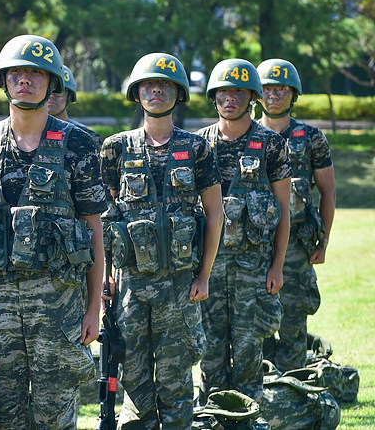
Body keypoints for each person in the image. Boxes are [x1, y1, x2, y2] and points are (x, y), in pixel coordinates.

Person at [0, 34, 106, 429]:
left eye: (36, 74)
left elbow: (93, 227)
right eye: (17, 73)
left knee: (55, 412)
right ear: (4, 81)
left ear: (53, 84)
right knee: (5, 413)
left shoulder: (79, 143)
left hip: (59, 302)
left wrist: (92, 307)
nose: (26, 81)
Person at [100, 53, 223, 429]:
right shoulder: (115, 148)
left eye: (166, 84)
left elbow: (215, 213)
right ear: (136, 94)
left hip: (179, 283)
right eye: (149, 85)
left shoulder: (198, 148)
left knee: (175, 379)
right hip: (131, 285)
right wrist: (105, 277)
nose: (156, 90)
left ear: (179, 94)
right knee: (134, 378)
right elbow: (105, 219)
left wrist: (203, 276)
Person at [196, 58, 291, 413]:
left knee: (250, 351)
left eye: (238, 91)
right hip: (210, 266)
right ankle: (212, 415)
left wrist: (277, 266)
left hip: (253, 267)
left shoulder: (271, 144)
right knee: (209, 351)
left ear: (252, 96)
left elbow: (284, 213)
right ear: (214, 96)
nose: (230, 98)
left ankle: (249, 416)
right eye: (223, 91)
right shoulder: (198, 144)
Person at [256, 59, 335, 371]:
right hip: (252, 245)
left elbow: (327, 191)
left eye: (282, 89)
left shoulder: (311, 137)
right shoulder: (243, 135)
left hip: (297, 247)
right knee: (253, 320)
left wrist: (324, 242)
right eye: (267, 89)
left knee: (293, 319)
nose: (274, 95)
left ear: (294, 93)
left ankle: (293, 392)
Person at [48, 64, 101, 150]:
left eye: (59, 91)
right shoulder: (27, 135)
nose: (51, 95)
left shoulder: (87, 137)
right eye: (48, 90)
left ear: (69, 96)